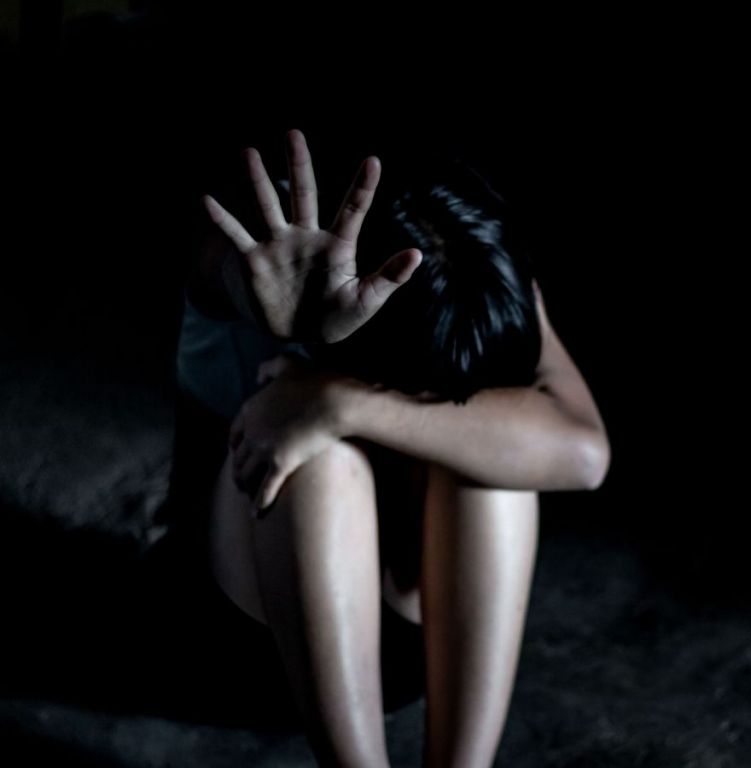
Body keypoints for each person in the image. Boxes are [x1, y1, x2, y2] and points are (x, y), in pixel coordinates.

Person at [165, 129, 610, 768]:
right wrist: (259, 303)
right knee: (319, 463)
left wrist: (342, 403)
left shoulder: (474, 262)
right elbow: (217, 268)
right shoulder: (277, 251)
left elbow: (584, 453)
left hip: (405, 652)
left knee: (494, 461)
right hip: (238, 644)